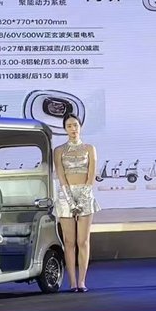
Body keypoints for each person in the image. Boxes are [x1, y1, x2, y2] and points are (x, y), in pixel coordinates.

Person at [53, 113, 101, 292]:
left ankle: (82, 281)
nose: (73, 129)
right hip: (65, 196)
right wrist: (69, 199)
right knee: (69, 241)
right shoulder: (59, 150)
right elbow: (60, 175)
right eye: (69, 126)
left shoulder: (89, 148)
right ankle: (72, 282)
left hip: (85, 194)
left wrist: (82, 198)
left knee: (83, 241)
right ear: (65, 129)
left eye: (75, 125)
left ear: (80, 127)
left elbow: (91, 175)